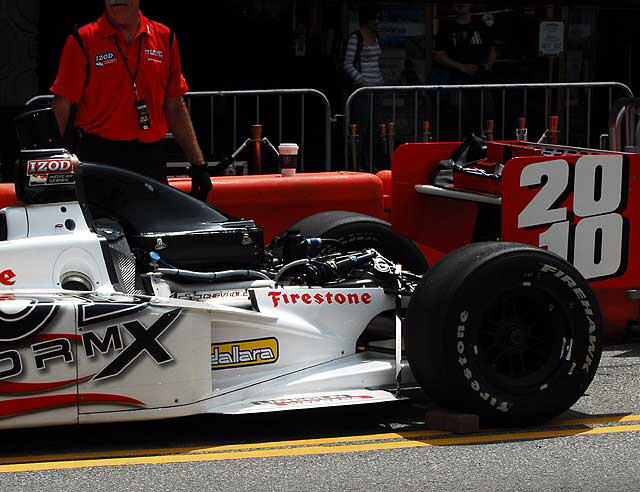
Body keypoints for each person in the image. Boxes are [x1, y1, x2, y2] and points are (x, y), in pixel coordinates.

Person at [50, 0, 212, 200]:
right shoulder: (82, 40)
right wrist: (49, 163)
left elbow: (175, 106)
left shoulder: (165, 38)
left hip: (151, 159)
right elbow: (62, 105)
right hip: (99, 158)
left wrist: (198, 165)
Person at [432, 2, 497, 139]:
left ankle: (483, 144)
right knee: (458, 113)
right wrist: (461, 67)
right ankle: (461, 145)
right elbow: (439, 56)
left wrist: (487, 66)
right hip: (457, 78)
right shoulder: (447, 27)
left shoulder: (481, 25)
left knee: (486, 111)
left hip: (480, 78)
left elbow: (491, 49)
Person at [343, 4, 385, 171]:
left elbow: (376, 62)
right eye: (375, 18)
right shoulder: (356, 38)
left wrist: (380, 80)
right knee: (362, 129)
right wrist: (362, 81)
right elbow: (347, 63)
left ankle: (371, 165)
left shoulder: (376, 36)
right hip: (362, 91)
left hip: (377, 89)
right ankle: (359, 165)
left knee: (376, 129)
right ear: (366, 19)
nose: (377, 22)